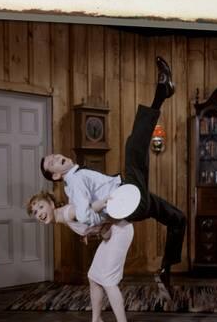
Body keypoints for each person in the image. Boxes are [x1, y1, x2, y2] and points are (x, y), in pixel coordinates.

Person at [40, 56, 186, 287]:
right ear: (56, 175)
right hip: (128, 201)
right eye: (53, 163)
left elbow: (85, 217)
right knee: (133, 148)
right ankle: (161, 91)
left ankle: (166, 270)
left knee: (178, 218)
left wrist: (95, 228)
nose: (57, 157)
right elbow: (85, 214)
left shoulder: (77, 177)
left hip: (133, 201)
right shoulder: (74, 182)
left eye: (55, 156)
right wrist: (98, 223)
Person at [26, 191, 134, 322]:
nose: (40, 213)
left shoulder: (68, 213)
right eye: (35, 212)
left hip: (120, 230)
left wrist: (103, 224)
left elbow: (97, 211)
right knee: (94, 277)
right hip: (112, 233)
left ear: (51, 203)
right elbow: (90, 220)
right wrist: (89, 231)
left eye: (41, 206)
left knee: (108, 280)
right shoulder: (64, 217)